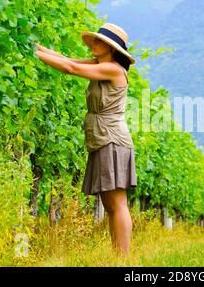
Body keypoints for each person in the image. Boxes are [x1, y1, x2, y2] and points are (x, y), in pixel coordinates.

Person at [35, 23, 137, 256]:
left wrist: (33, 53)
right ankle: (118, 256)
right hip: (102, 138)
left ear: (111, 49)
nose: (94, 44)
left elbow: (70, 68)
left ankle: (124, 259)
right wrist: (34, 46)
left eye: (99, 41)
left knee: (117, 203)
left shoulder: (112, 69)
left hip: (112, 139)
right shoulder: (100, 64)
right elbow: (65, 58)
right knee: (110, 204)